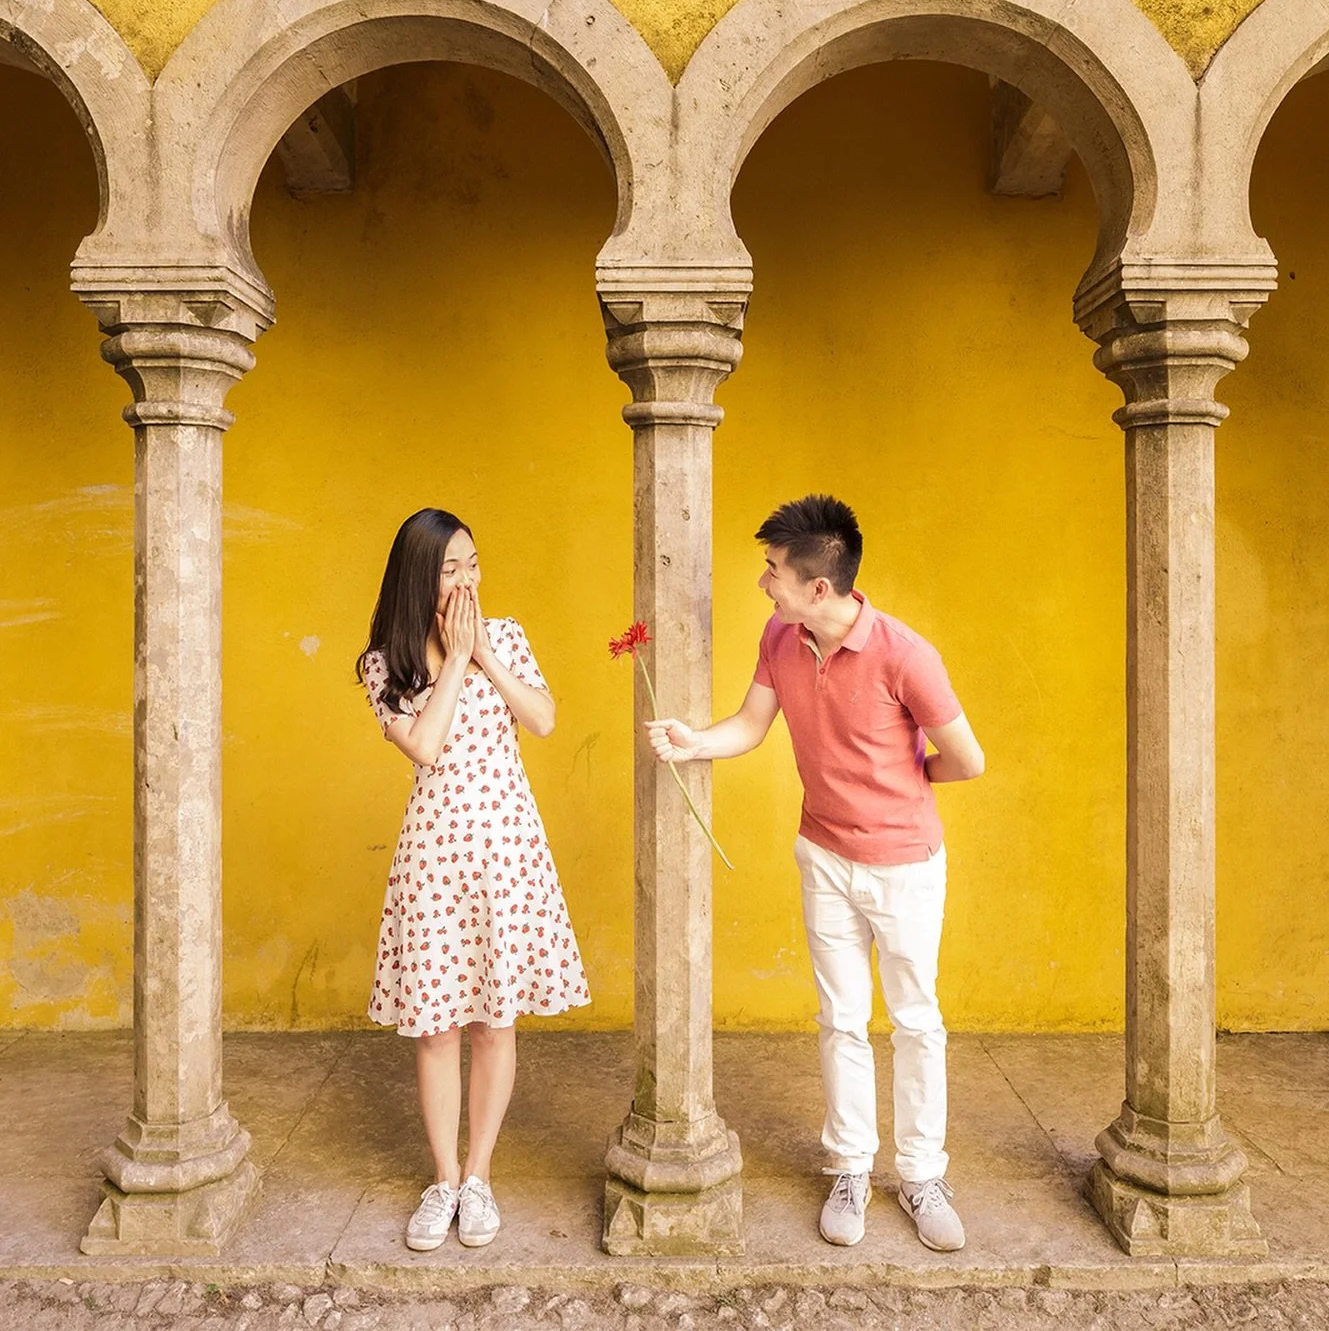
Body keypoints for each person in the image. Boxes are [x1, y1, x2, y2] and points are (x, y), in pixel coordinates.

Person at [647, 494, 984, 1252]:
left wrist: (906, 786)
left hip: (904, 866)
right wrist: (691, 741)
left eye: (773, 572)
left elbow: (968, 759)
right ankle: (852, 1170)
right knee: (840, 1019)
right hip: (823, 855)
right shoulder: (781, 636)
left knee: (915, 1020)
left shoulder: (906, 655)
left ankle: (922, 1176)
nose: (764, 584)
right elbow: (750, 726)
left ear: (818, 587)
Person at [357, 507, 590, 1252]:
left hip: (508, 852)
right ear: (418, 577)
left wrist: (485, 651)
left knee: (496, 1021)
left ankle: (481, 1176)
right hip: (434, 860)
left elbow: (545, 720)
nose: (466, 580)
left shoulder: (509, 636)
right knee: (435, 1028)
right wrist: (454, 660)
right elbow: (424, 745)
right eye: (450, 568)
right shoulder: (383, 663)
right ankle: (444, 1179)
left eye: (473, 564)